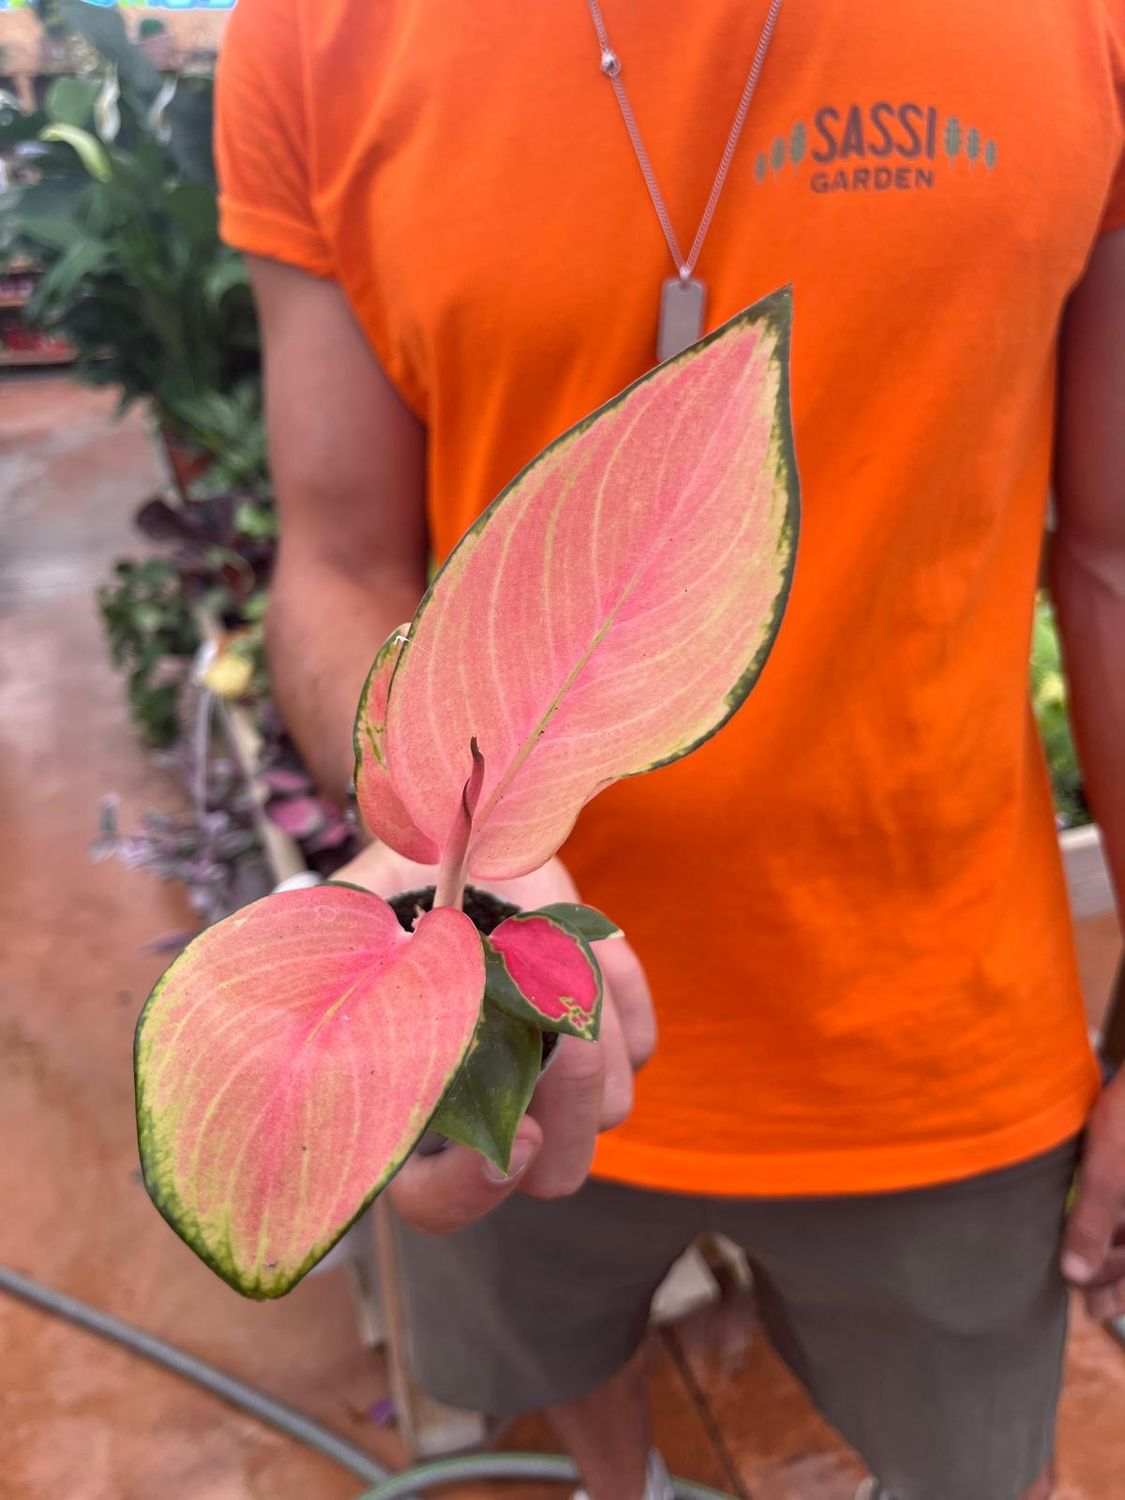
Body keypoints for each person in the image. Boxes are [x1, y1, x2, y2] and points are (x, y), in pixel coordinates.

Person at [215, 4, 1125, 1497]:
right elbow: (335, 552)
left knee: (976, 1464)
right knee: (553, 1376)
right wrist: (441, 840)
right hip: (500, 989)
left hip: (928, 1020)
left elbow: (1109, 552)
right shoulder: (318, 31)